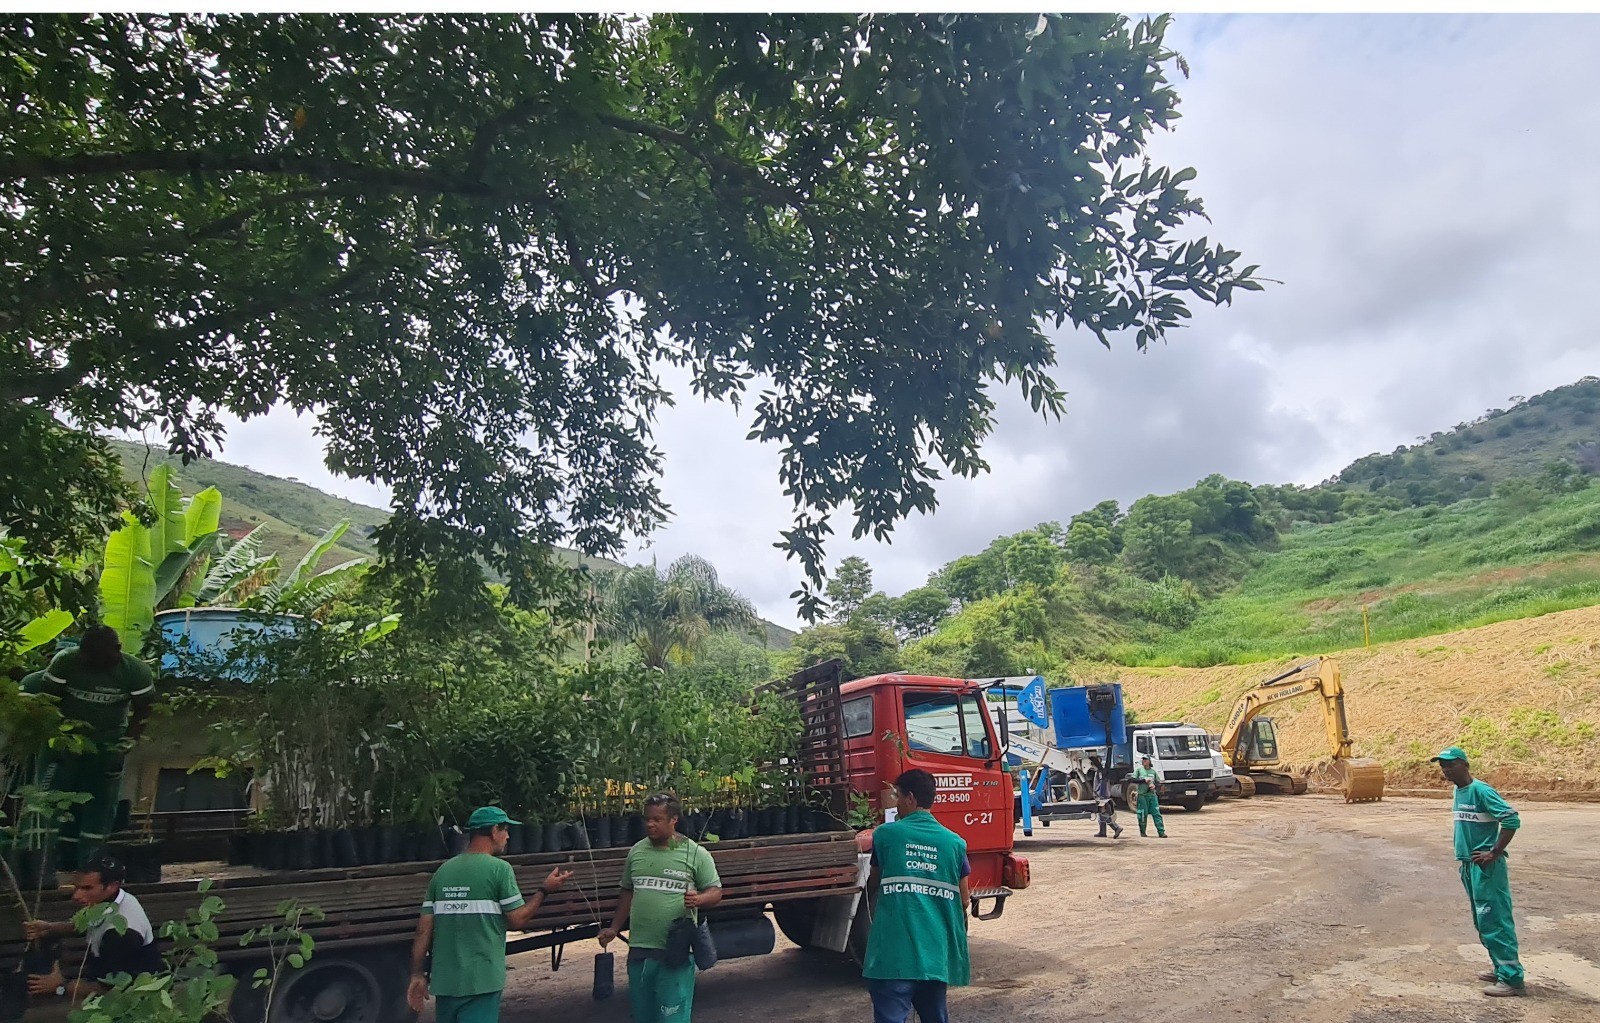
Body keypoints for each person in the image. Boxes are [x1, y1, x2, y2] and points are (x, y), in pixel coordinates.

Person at [407, 807, 572, 1023]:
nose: (508, 836)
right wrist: (544, 890)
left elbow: (423, 931)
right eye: (505, 830)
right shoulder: (499, 870)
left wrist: (417, 974)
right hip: (482, 981)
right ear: (494, 831)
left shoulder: (443, 872)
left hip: (446, 982)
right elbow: (517, 920)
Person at [21, 625, 156, 869]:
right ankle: (40, 864)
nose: (91, 662)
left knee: (99, 804)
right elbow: (48, 702)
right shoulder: (66, 662)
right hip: (63, 741)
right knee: (46, 800)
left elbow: (145, 710)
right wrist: (56, 739)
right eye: (87, 656)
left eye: (98, 657)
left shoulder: (135, 672)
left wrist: (125, 745)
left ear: (117, 650)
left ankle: (88, 866)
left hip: (107, 744)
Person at [599, 794, 723, 1023]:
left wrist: (699, 899)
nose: (650, 824)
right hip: (640, 950)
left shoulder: (694, 853)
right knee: (642, 1015)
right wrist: (614, 928)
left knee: (672, 1017)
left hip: (676, 951)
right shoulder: (636, 852)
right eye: (647, 819)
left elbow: (716, 891)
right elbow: (627, 891)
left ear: (673, 820)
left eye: (657, 819)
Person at [861, 769, 971, 1023]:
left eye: (897, 796)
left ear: (910, 798)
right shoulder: (955, 843)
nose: (896, 803)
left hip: (894, 955)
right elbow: (964, 899)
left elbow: (875, 881)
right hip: (934, 956)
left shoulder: (886, 835)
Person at [1431, 746, 1526, 998]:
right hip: (1469, 866)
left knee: (1495, 920)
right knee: (1482, 920)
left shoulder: (1481, 791)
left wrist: (1493, 852)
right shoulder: (1458, 791)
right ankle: (1501, 968)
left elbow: (1511, 820)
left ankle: (1512, 979)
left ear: (1465, 764)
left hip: (1486, 868)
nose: (1446, 769)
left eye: (1450, 764)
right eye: (1442, 765)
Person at [24, 854, 162, 1004]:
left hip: (132, 998)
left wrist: (60, 986)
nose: (76, 896)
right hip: (102, 976)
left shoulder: (121, 934)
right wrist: (51, 928)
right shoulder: (115, 899)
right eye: (76, 887)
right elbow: (92, 922)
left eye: (86, 888)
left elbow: (110, 989)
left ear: (111, 886)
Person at [1132, 754, 1166, 838]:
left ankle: (1161, 832)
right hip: (1142, 795)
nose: (1144, 761)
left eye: (1146, 760)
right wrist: (1144, 780)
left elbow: (1159, 783)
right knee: (1143, 814)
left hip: (1152, 795)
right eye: (1143, 759)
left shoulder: (1153, 772)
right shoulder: (1139, 770)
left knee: (1156, 813)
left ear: (1149, 761)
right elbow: (1132, 780)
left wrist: (1155, 786)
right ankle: (1143, 831)